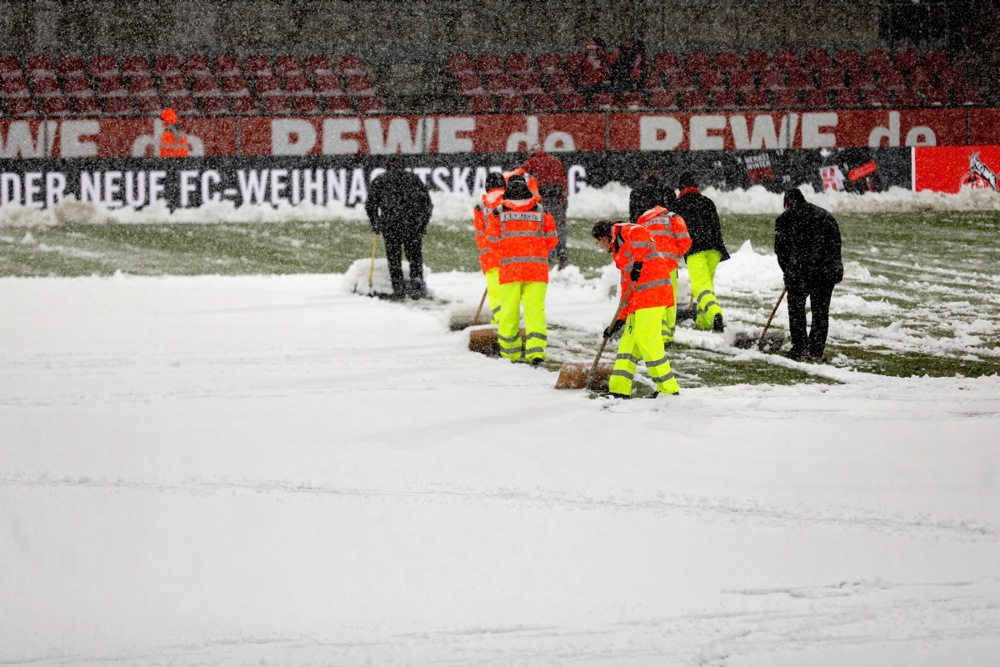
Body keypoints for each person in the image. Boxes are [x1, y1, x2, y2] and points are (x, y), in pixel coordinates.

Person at [591, 219, 680, 398]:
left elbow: (641, 231)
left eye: (598, 241)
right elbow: (626, 288)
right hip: (639, 300)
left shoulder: (624, 231)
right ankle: (619, 388)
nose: (598, 246)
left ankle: (668, 388)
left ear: (604, 237)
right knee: (628, 344)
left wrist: (639, 262)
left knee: (647, 339)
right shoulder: (620, 254)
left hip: (654, 294)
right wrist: (620, 319)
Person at [488, 175, 558, 364]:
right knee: (535, 311)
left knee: (509, 311)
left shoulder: (498, 213)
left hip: (510, 271)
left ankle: (510, 352)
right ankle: (536, 351)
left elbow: (492, 242)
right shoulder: (542, 212)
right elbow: (552, 240)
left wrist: (510, 248)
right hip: (536, 271)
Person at [774, 187, 844, 361]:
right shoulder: (825, 216)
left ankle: (799, 348)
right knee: (820, 311)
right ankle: (816, 351)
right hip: (827, 271)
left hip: (801, 272)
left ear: (786, 204)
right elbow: (835, 245)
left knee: (796, 308)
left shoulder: (785, 219)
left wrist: (789, 273)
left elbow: (781, 252)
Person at [365, 155, 434, 300]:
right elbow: (427, 204)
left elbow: (370, 205)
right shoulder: (413, 179)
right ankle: (416, 286)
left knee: (394, 258)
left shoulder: (380, 180)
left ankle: (398, 289)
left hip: (391, 226)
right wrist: (422, 224)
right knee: (415, 257)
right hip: (412, 226)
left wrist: (376, 222)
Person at [632, 185, 691, 344]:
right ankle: (667, 334)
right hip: (669, 266)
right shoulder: (674, 217)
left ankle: (656, 331)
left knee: (654, 299)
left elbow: (637, 243)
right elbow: (685, 241)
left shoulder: (643, 219)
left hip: (650, 265)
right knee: (669, 299)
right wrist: (676, 254)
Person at [673, 171, 730, 333]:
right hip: (714, 250)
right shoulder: (707, 201)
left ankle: (716, 313)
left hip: (695, 251)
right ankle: (703, 321)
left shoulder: (679, 205)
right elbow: (716, 227)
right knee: (707, 287)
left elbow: (678, 232)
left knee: (699, 287)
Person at [519, 143, 569, 269]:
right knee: (558, 227)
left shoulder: (531, 162)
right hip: (558, 200)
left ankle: (545, 256)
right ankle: (562, 254)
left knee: (541, 228)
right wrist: (563, 199)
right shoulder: (555, 161)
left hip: (542, 201)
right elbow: (564, 181)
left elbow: (520, 177)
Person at [472, 171, 506, 323]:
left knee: (495, 292)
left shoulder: (480, 206)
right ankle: (510, 319)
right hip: (513, 254)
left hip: (491, 257)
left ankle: (499, 321)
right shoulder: (512, 200)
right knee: (510, 290)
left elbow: (480, 234)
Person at [570, 37, 612, 102]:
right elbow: (573, 67)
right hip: (586, 83)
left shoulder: (602, 58)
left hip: (599, 83)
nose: (592, 50)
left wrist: (602, 52)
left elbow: (611, 62)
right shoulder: (582, 59)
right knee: (588, 89)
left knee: (609, 87)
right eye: (589, 48)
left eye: (593, 48)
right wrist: (581, 54)